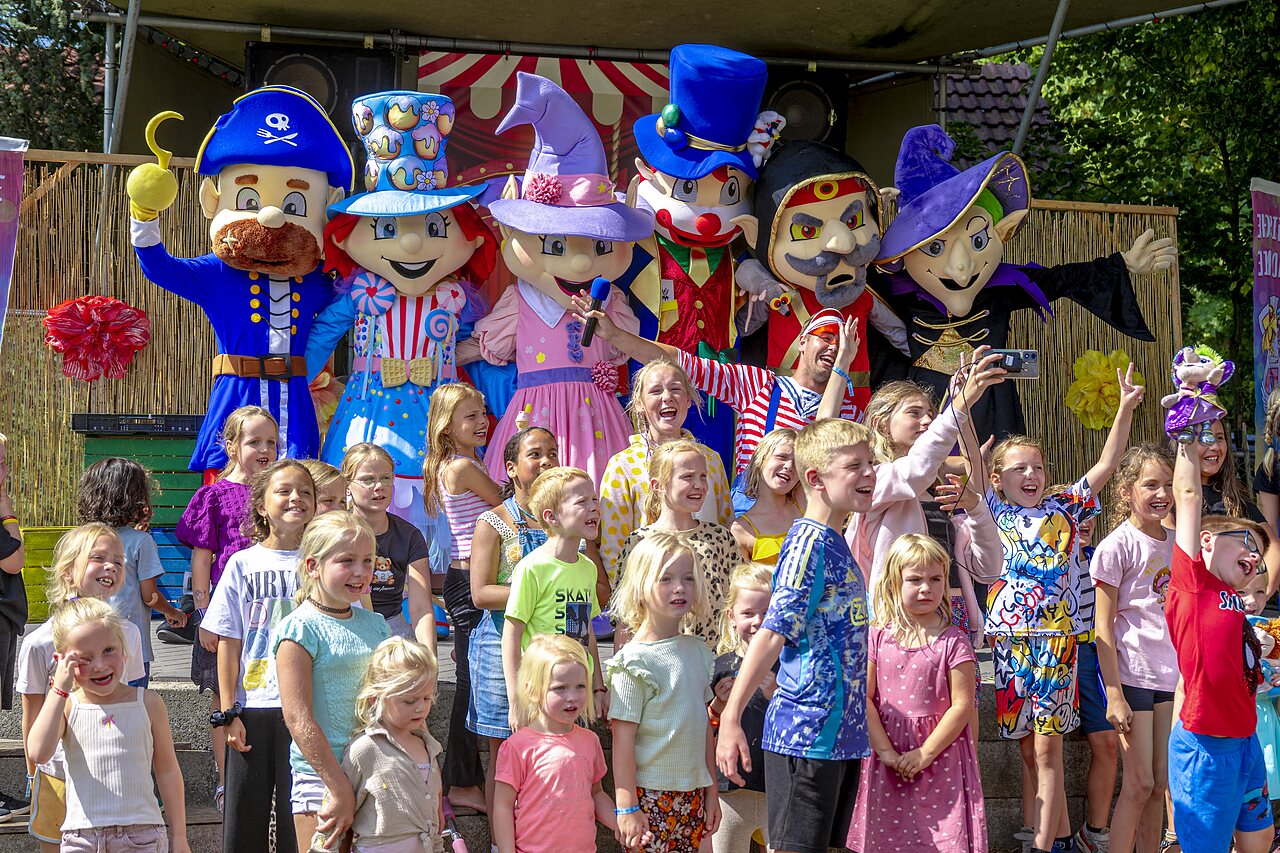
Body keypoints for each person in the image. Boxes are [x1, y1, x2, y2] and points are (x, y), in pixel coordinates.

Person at [985, 363, 1142, 853]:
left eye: (1037, 467)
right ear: (998, 479)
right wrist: (967, 400)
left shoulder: (1066, 507)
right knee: (1027, 750)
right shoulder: (990, 509)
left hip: (1057, 640)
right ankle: (1055, 837)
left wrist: (1125, 407)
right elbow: (961, 459)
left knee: (1049, 748)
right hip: (1008, 641)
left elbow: (1108, 463)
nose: (1031, 475)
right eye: (1019, 469)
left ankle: (1042, 847)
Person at [717, 417, 877, 853]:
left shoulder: (835, 539)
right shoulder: (808, 543)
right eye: (854, 466)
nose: (869, 473)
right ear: (815, 478)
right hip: (806, 736)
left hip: (839, 737)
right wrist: (731, 717)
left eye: (870, 463)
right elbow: (773, 632)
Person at [573, 294, 861, 479]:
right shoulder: (758, 385)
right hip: (752, 524)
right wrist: (614, 335)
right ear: (802, 342)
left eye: (843, 344)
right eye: (826, 336)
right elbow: (681, 363)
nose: (834, 347)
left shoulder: (851, 414)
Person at [1168, 429, 1275, 853]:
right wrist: (1187, 430)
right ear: (1207, 541)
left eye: (1260, 552)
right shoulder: (1192, 585)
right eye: (1247, 542)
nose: (1255, 555)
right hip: (1206, 750)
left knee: (1260, 840)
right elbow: (1188, 494)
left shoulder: (1236, 602)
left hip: (1245, 741)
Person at [203, 459, 316, 852]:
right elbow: (229, 642)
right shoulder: (242, 563)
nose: (296, 498)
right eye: (284, 490)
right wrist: (229, 712)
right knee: (243, 821)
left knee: (296, 822)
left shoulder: (322, 564)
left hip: (306, 707)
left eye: (305, 491)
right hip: (252, 707)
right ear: (261, 506)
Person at [847, 533, 985, 853]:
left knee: (942, 840)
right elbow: (864, 698)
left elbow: (962, 705)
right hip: (887, 759)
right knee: (887, 839)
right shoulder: (876, 637)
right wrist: (886, 752)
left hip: (940, 758)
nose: (926, 588)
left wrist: (925, 753)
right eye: (915, 579)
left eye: (935, 579)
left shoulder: (954, 641)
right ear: (893, 583)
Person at [18, 524, 146, 853]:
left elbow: (132, 704)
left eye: (118, 561)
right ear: (68, 570)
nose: (111, 566)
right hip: (57, 776)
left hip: (112, 776)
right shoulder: (38, 643)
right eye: (98, 558)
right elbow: (31, 715)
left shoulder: (129, 635)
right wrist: (33, 775)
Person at [842, 344, 1005, 601]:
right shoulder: (874, 480)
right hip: (899, 618)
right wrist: (961, 403)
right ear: (881, 423)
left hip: (954, 616)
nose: (928, 421)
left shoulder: (940, 492)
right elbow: (917, 469)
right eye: (914, 413)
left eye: (930, 414)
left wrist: (977, 510)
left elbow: (989, 571)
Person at [27, 598, 190, 853]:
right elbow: (38, 752)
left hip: (142, 835)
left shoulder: (149, 703)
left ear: (124, 650)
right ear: (62, 661)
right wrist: (59, 689)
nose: (100, 665)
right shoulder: (68, 706)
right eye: (84, 658)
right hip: (82, 838)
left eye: (108, 650)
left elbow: (168, 770)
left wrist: (179, 836)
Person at [177, 404, 278, 810]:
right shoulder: (214, 495)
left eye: (272, 442)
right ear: (232, 446)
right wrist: (204, 614)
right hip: (228, 611)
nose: (265, 450)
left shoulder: (280, 492)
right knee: (224, 697)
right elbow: (202, 559)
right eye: (255, 442)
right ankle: (226, 780)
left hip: (271, 610)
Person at [276, 512, 391, 850]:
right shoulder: (300, 628)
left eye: (367, 561)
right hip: (321, 776)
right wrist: (338, 785)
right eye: (346, 561)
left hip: (376, 768)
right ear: (313, 566)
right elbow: (297, 717)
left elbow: (394, 697)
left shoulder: (377, 624)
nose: (360, 571)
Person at [1089, 445, 1177, 853]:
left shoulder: (1178, 543)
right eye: (1151, 484)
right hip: (1134, 677)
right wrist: (1114, 694)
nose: (1162, 494)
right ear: (1126, 491)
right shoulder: (1116, 546)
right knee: (1139, 783)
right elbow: (1102, 627)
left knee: (1160, 783)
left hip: (1171, 678)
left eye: (1168, 485)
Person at [608, 532, 719, 852]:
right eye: (666, 578)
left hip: (694, 796)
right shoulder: (633, 662)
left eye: (688, 578)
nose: (679, 587)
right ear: (641, 586)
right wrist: (626, 806)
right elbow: (622, 740)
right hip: (649, 798)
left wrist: (712, 792)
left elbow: (703, 728)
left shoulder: (698, 652)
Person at [469, 427, 559, 818]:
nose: (547, 461)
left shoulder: (563, 521)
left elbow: (594, 588)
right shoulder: (493, 521)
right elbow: (480, 593)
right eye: (535, 454)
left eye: (552, 452)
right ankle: (499, 841)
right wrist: (541, 592)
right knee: (504, 750)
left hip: (553, 646)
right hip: (498, 643)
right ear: (511, 467)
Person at [421, 382, 501, 813]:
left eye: (482, 413)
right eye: (470, 416)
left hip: (470, 577)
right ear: (446, 427)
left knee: (475, 678)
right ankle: (461, 781)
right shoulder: (462, 467)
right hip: (470, 580)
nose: (481, 421)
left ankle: (466, 777)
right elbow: (503, 505)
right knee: (472, 683)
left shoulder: (467, 461)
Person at [599, 357, 732, 573]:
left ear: (688, 399)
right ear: (639, 404)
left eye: (675, 389)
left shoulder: (711, 459)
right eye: (655, 391)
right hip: (649, 587)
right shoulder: (622, 466)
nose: (667, 397)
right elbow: (614, 549)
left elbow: (725, 526)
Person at [313, 637, 445, 853]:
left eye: (427, 698)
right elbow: (334, 814)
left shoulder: (428, 747)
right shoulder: (365, 749)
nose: (420, 707)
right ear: (376, 699)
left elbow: (433, 822)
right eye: (409, 700)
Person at [502, 468, 608, 732]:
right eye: (582, 501)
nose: (594, 507)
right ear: (552, 516)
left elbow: (586, 631)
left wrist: (598, 686)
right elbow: (512, 634)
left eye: (594, 499)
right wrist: (515, 699)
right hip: (541, 691)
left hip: (578, 689)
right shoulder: (532, 568)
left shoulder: (588, 568)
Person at [494, 634, 616, 853]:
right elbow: (502, 806)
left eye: (580, 686)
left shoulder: (590, 741)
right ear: (532, 691)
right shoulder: (518, 747)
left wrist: (621, 823)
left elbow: (596, 793)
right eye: (560, 688)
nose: (572, 696)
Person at [76, 458, 187, 688]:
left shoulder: (82, 538)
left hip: (88, 642)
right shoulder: (141, 542)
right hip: (130, 648)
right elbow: (150, 596)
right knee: (132, 705)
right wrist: (172, 612)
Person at [617, 440, 738, 647]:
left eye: (703, 476)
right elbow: (626, 617)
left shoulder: (721, 539)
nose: (699, 485)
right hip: (657, 658)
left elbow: (736, 602)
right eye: (687, 477)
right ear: (657, 485)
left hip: (714, 658)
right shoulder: (640, 542)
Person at [341, 443, 436, 645]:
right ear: (347, 485)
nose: (379, 486)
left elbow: (421, 608)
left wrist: (429, 656)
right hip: (343, 622)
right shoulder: (336, 532)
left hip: (392, 625)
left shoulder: (409, 535)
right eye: (368, 479)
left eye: (386, 478)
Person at [709, 562, 775, 853]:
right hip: (731, 792)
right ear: (731, 616)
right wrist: (718, 705)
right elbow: (705, 726)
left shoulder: (791, 665)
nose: (758, 621)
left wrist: (777, 696)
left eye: (768, 613)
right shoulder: (720, 666)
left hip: (778, 788)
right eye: (748, 613)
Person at [1239, 572, 1280, 852]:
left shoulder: (1269, 630)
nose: (1252, 601)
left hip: (1265, 720)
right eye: (1243, 592)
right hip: (1240, 724)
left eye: (1260, 592)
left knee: (1267, 782)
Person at [729, 430, 803, 565]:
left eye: (798, 462)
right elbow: (740, 578)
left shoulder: (805, 504)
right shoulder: (740, 530)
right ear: (760, 459)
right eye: (782, 457)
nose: (789, 466)